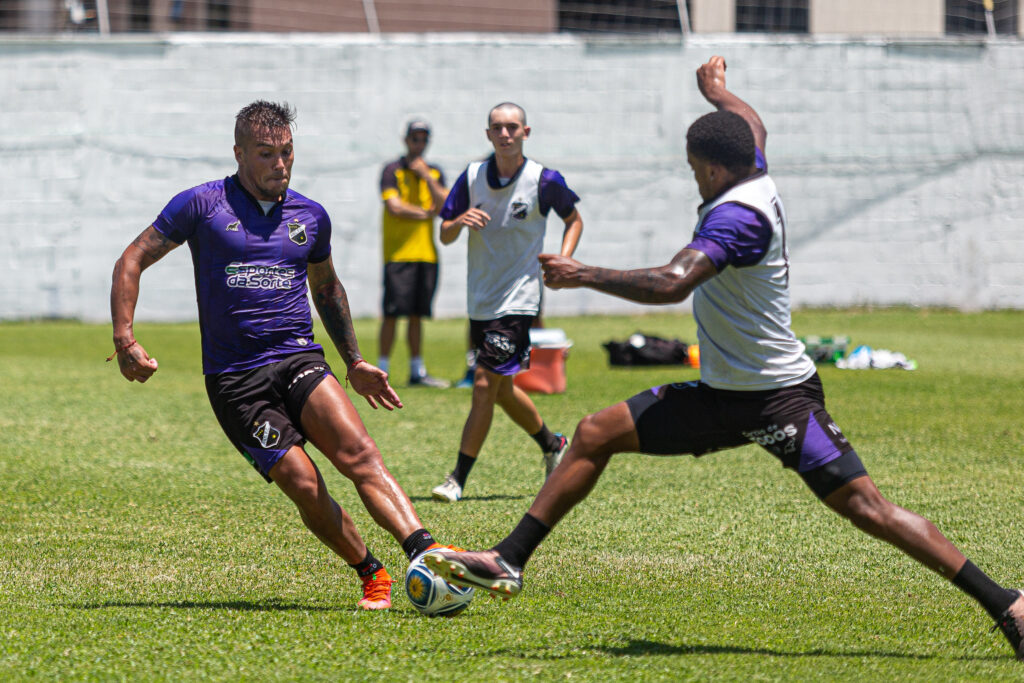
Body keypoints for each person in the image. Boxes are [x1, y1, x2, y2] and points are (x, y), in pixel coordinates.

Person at [423, 58, 1023, 659]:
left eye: (693, 171)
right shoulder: (750, 167)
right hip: (719, 396)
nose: (694, 181)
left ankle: (1006, 602)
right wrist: (719, 93)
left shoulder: (739, 217)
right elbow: (750, 123)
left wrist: (584, 274)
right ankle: (509, 559)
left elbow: (670, 282)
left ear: (713, 168)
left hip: (778, 398)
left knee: (868, 507)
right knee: (594, 432)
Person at [110, 100, 454, 611]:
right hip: (234, 380)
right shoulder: (200, 205)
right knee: (302, 482)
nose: (281, 164)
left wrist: (355, 360)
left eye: (287, 152)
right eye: (267, 154)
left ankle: (428, 554)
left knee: (358, 455)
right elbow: (132, 257)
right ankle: (370, 572)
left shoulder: (311, 216)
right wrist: (125, 339)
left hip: (299, 359)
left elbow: (327, 288)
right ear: (240, 153)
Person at [430, 102, 584, 502]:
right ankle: (552, 444)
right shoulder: (471, 177)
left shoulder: (543, 180)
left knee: (483, 383)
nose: (505, 134)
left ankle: (457, 478)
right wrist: (458, 222)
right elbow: (444, 233)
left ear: (526, 133)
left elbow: (574, 219)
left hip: (520, 299)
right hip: (481, 299)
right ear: (488, 134)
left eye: (512, 127)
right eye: (497, 128)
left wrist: (564, 259)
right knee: (500, 389)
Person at [378, 119, 451, 388]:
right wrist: (424, 214)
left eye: (423, 139)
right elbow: (394, 206)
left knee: (418, 314)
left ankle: (416, 371)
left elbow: (445, 206)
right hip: (398, 254)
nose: (419, 145)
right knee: (391, 314)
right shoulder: (392, 170)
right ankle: (382, 368)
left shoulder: (434, 172)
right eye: (414, 139)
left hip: (426, 254)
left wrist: (426, 178)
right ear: (405, 140)